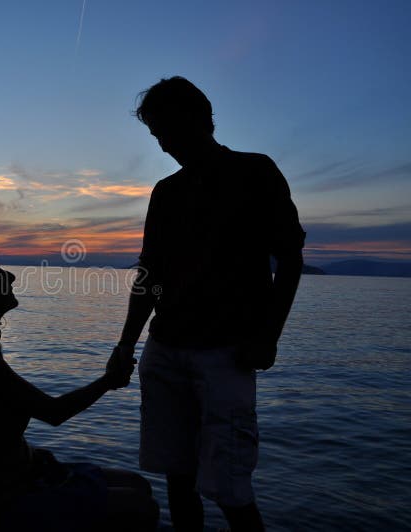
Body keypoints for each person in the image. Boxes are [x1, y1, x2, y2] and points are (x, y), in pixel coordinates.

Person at [113, 77, 306, 531]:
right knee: (178, 480)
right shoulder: (166, 192)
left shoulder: (256, 171)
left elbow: (290, 259)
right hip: (165, 350)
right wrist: (125, 344)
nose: (163, 146)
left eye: (169, 132)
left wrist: (268, 337)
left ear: (203, 119)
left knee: (230, 486)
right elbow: (150, 274)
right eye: (157, 136)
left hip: (227, 352)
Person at [0, 246, 159, 531]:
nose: (10, 278)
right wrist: (107, 381)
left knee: (137, 484)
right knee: (141, 507)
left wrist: (35, 460)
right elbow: (53, 412)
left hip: (25, 477)